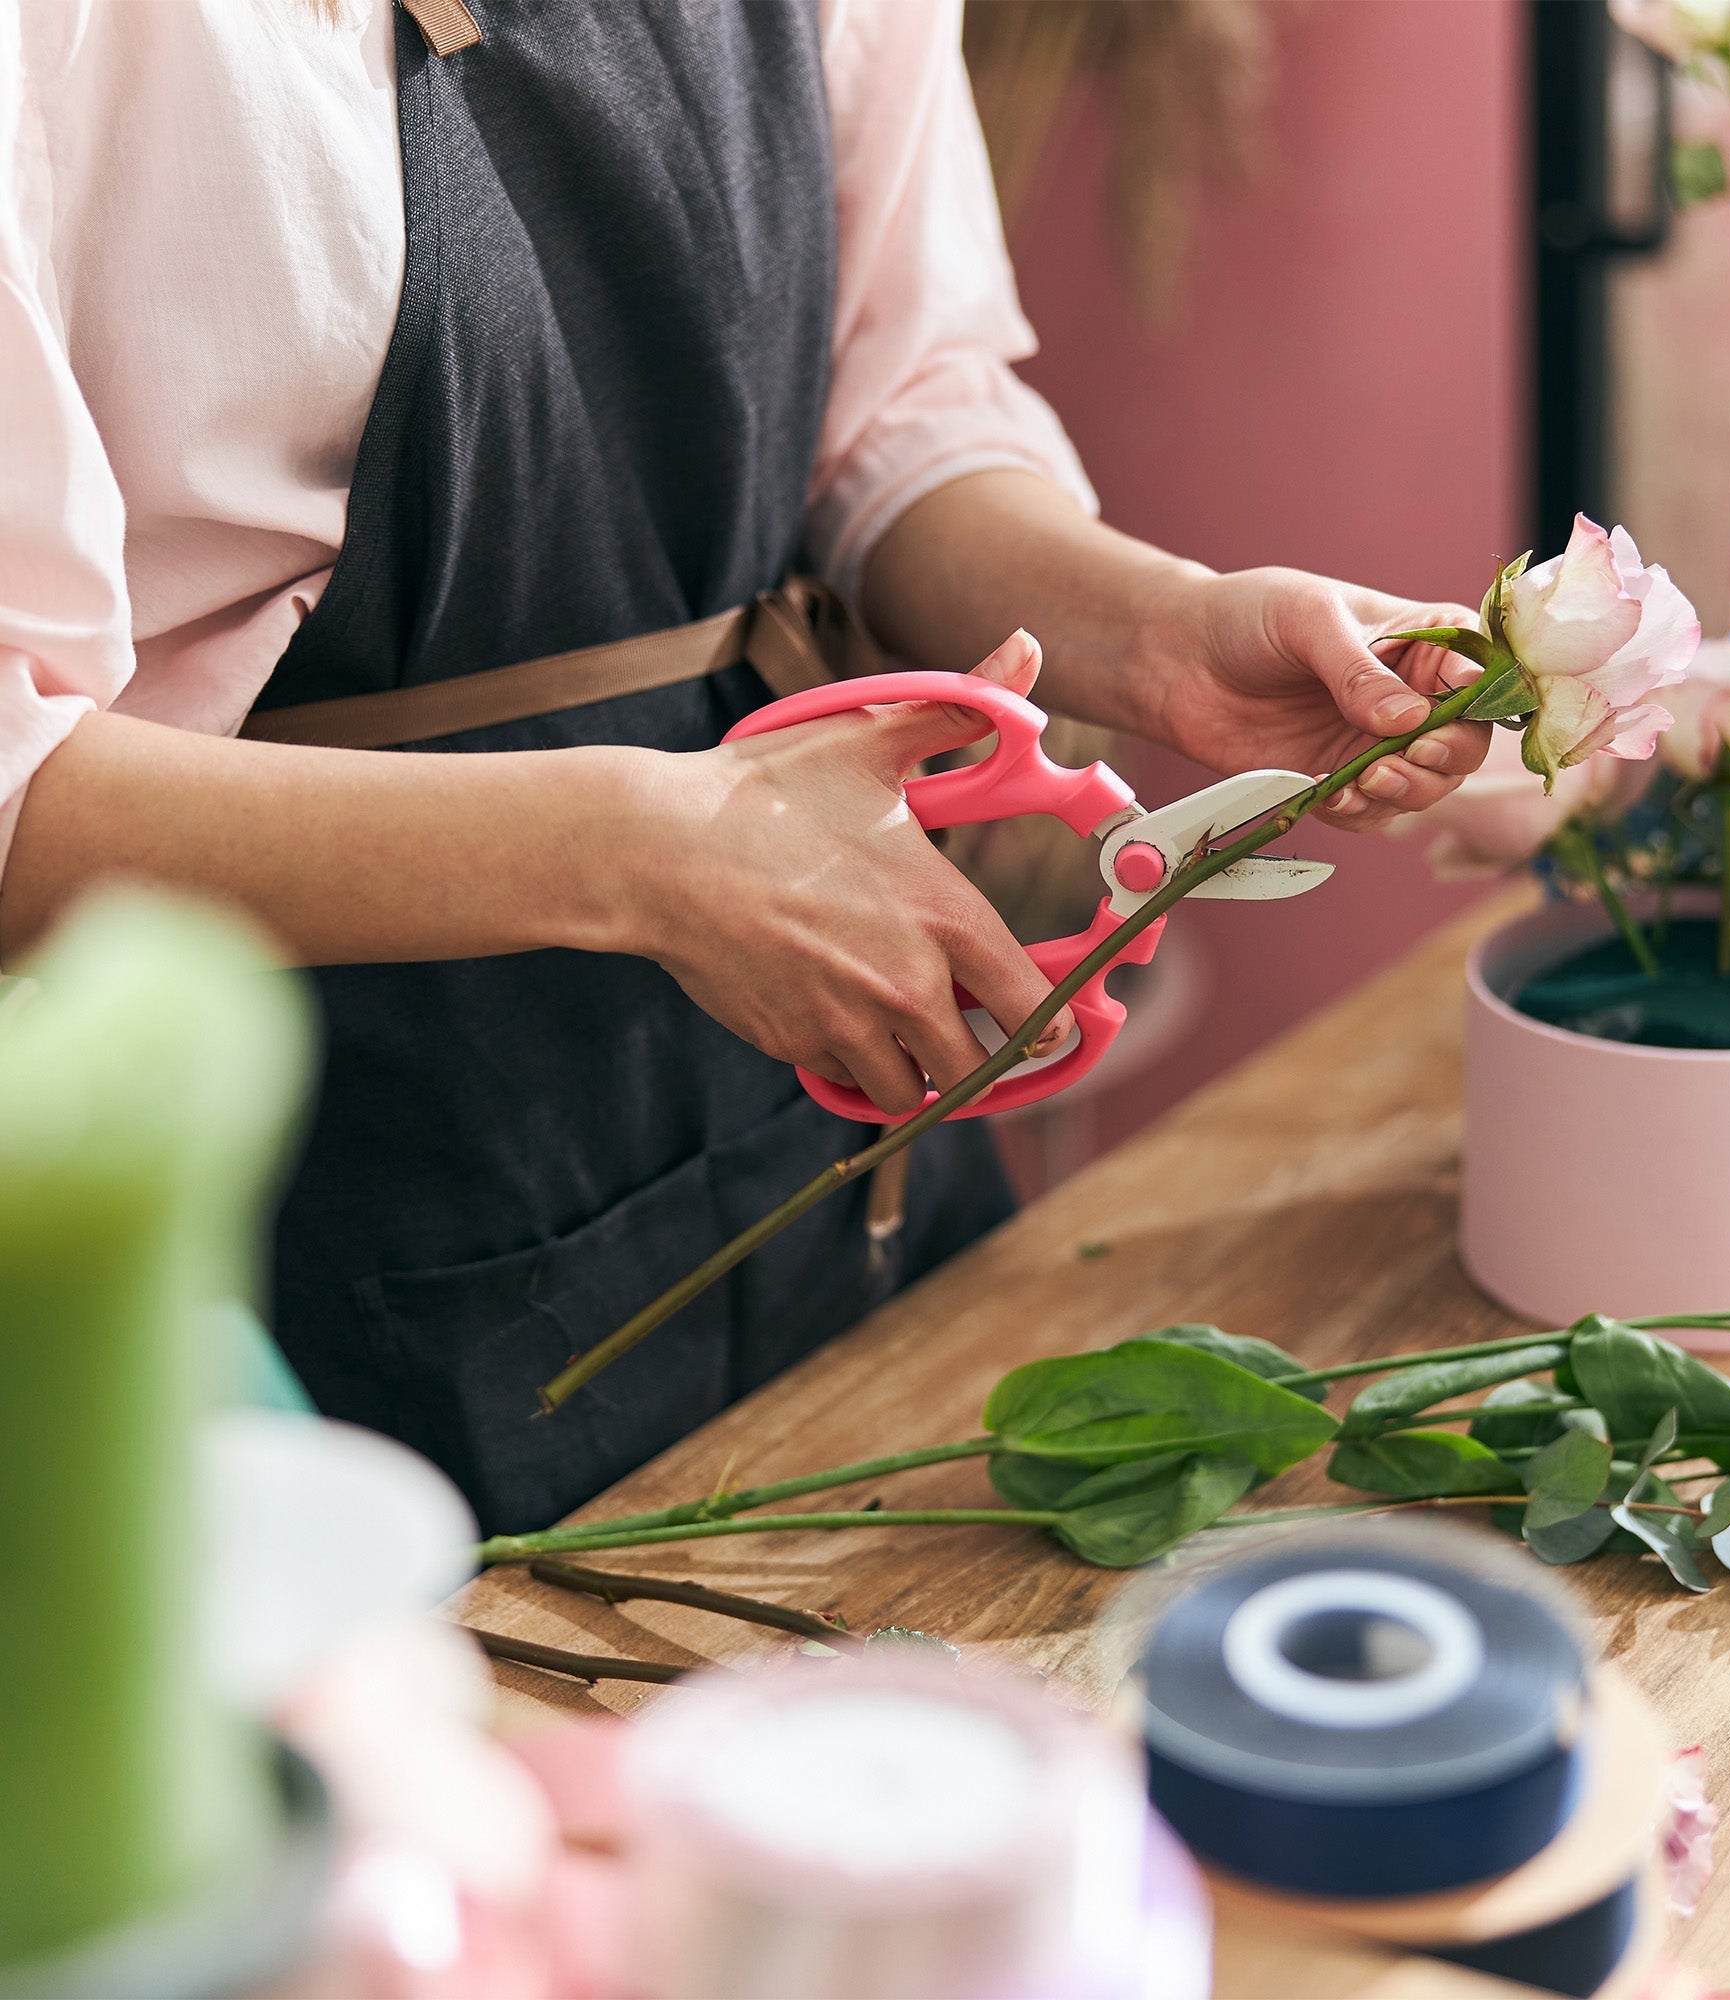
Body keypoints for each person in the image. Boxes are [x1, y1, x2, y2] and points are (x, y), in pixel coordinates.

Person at [0, 0, 1489, 1531]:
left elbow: (891, 415)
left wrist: (1164, 634)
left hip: (816, 1150)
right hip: (310, 1210)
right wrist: (651, 854)